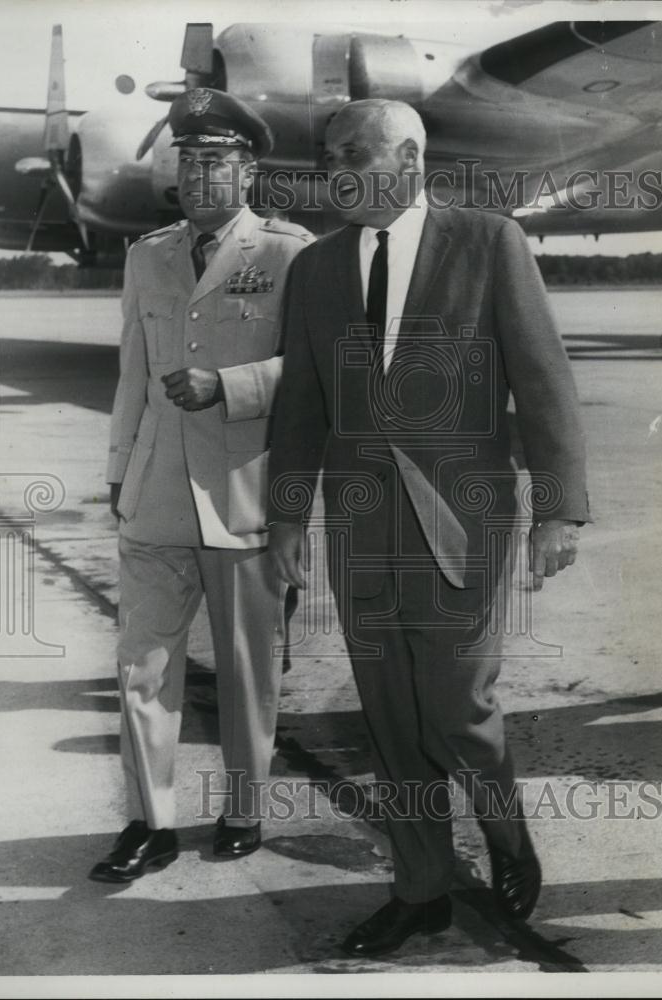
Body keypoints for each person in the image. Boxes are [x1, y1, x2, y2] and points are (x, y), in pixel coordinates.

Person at [267, 99, 590, 956]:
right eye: (330, 154)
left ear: (409, 156)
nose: (338, 168)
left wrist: (557, 508)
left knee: (455, 709)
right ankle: (421, 890)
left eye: (357, 152)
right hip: (362, 527)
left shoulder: (486, 241)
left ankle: (505, 831)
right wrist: (287, 514)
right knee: (391, 720)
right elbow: (299, 402)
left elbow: (543, 381)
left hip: (463, 520)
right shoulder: (316, 268)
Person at [90, 88, 313, 883]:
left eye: (216, 162)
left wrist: (231, 385)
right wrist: (120, 475)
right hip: (154, 491)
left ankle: (243, 808)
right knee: (140, 665)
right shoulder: (146, 253)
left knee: (250, 663)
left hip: (243, 494)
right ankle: (149, 822)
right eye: (186, 162)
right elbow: (131, 375)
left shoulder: (290, 252)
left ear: (249, 171)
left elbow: (317, 371)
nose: (197, 178)